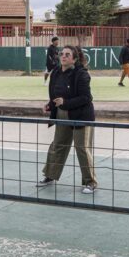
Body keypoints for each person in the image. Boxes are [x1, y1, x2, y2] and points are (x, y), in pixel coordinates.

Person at [38, 45, 98, 194]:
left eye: (67, 54)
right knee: (58, 145)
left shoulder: (81, 74)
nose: (63, 56)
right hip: (62, 114)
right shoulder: (56, 72)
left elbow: (86, 98)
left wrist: (66, 102)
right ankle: (50, 176)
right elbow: (55, 95)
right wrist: (50, 105)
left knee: (82, 148)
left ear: (74, 59)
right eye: (61, 54)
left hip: (81, 116)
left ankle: (90, 182)